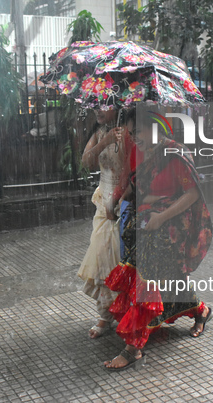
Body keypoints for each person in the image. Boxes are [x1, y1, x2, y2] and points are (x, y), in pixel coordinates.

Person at [103, 108, 213, 371]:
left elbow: (192, 195)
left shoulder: (175, 153)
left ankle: (133, 349)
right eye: (130, 133)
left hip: (168, 230)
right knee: (168, 280)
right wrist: (115, 200)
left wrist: (161, 217)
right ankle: (201, 311)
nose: (133, 137)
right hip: (143, 225)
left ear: (154, 128)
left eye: (136, 131)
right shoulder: (141, 154)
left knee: (147, 282)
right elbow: (133, 185)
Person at [78, 108, 131, 339]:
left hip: (124, 202)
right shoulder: (99, 132)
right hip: (103, 204)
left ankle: (124, 314)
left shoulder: (130, 132)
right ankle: (104, 314)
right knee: (100, 258)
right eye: (96, 104)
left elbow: (132, 171)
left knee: (120, 260)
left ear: (119, 106)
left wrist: (118, 202)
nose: (98, 109)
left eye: (105, 104)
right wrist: (104, 141)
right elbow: (86, 162)